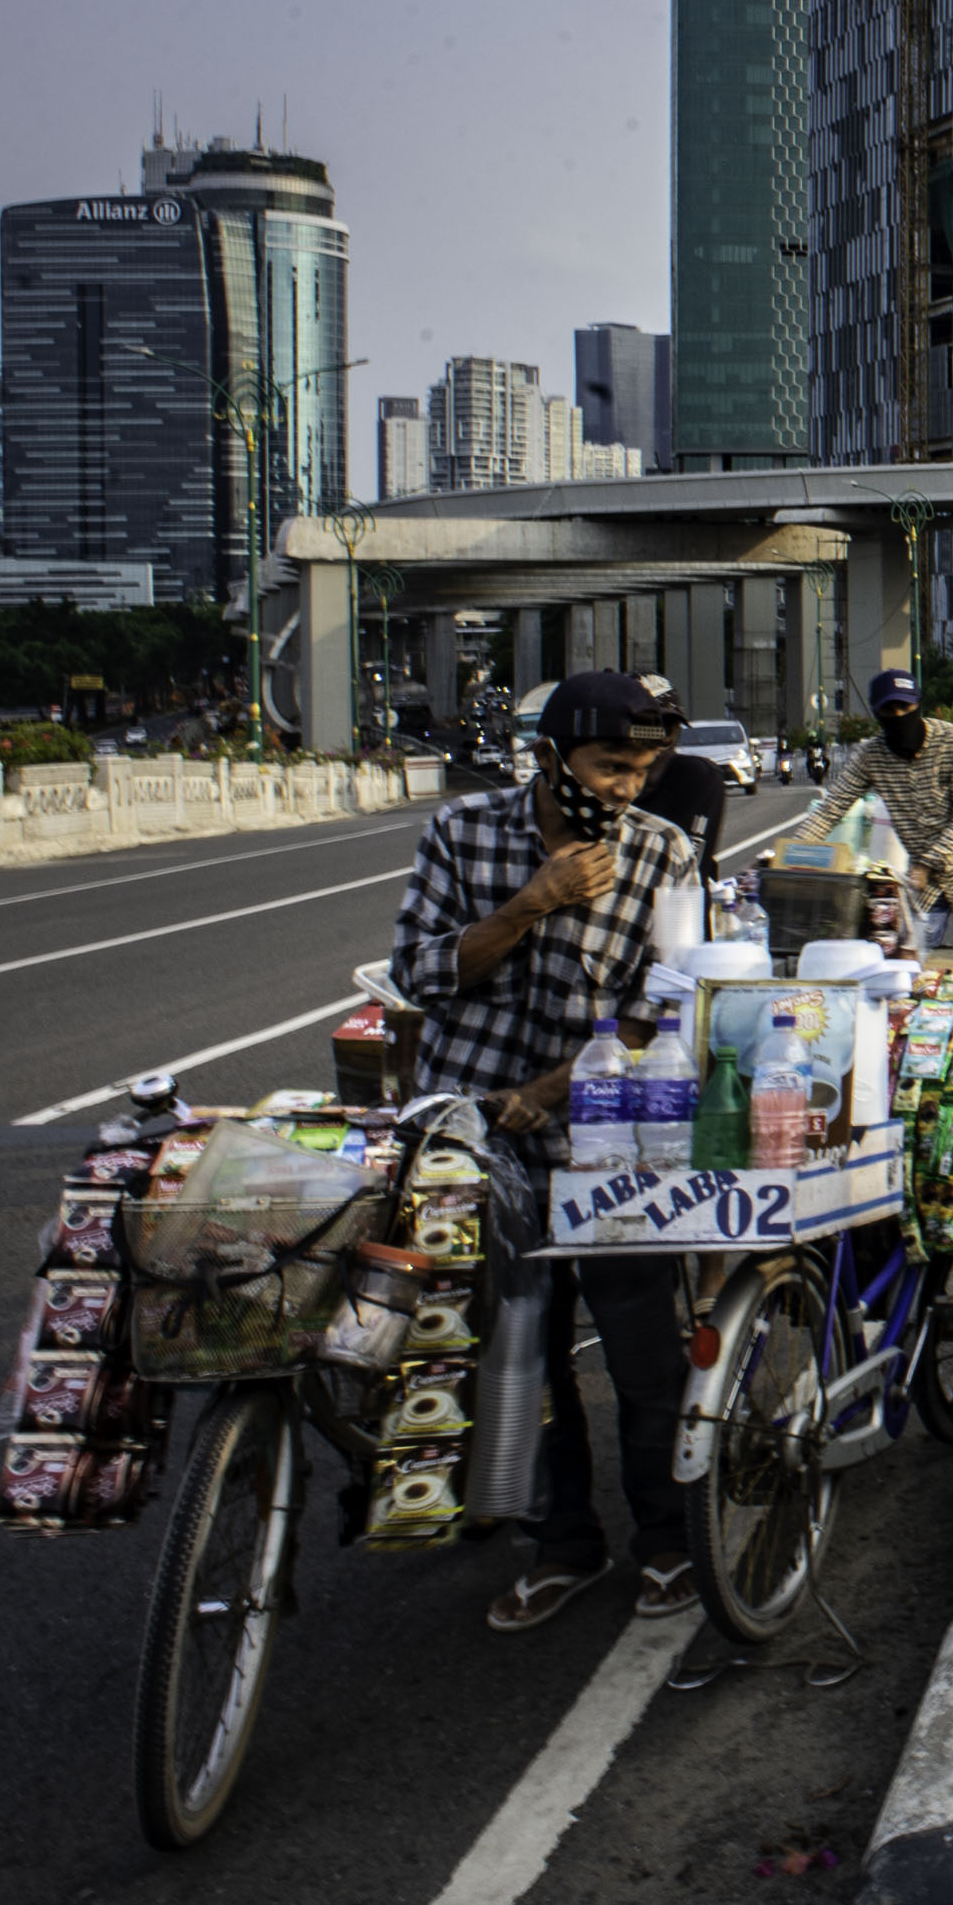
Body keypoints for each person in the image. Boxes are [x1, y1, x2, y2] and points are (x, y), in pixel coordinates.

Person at [384, 669, 706, 1630]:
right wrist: (531, 902)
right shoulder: (463, 834)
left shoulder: (662, 853)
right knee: (521, 1354)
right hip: (474, 1137)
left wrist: (552, 1089)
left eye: (644, 770)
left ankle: (667, 1540)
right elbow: (417, 973)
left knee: (646, 1354)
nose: (627, 788)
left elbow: (667, 1002)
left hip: (606, 1133)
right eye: (611, 766)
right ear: (549, 757)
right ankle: (563, 1541)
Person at [807, 667, 953, 947]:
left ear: (918, 704)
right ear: (877, 714)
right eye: (890, 710)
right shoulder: (871, 756)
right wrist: (789, 854)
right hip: (926, 886)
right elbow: (831, 809)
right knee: (914, 960)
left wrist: (927, 863)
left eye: (905, 706)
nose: (900, 716)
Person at [626, 672, 730, 865]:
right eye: (641, 731)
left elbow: (686, 870)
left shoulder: (697, 780)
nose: (654, 748)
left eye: (666, 732)